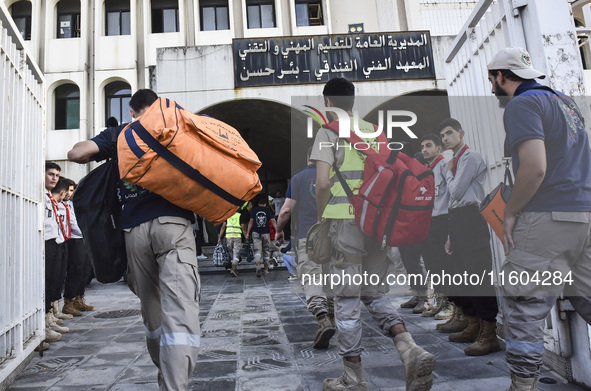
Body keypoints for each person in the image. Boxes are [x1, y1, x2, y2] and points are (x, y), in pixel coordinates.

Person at [68, 89, 201, 391]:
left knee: (153, 311)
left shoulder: (121, 134)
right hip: (174, 225)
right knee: (180, 309)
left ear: (132, 112)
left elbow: (76, 154)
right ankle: (174, 384)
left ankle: (163, 371)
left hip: (134, 232)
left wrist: (112, 144)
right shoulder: (176, 126)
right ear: (158, 107)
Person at [310, 77, 435, 391]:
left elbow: (322, 184)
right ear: (353, 101)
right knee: (373, 294)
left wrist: (322, 216)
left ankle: (353, 378)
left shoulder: (327, 132)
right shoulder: (374, 132)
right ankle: (410, 350)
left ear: (327, 102)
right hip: (377, 225)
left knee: (346, 299)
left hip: (344, 224)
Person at [487, 47, 591, 390]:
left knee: (523, 305)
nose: (491, 90)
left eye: (491, 80)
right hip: (583, 215)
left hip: (547, 216)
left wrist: (512, 212)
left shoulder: (522, 104)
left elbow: (535, 167)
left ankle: (523, 386)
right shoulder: (565, 102)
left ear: (502, 76)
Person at [437, 118, 500, 357]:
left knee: (478, 275)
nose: (445, 139)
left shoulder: (470, 158)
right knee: (462, 274)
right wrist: (451, 235)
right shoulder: (454, 162)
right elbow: (453, 199)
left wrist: (448, 170)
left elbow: (455, 191)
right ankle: (473, 325)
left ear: (461, 133)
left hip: (472, 218)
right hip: (457, 219)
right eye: (442, 135)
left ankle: (489, 334)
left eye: (449, 133)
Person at [276, 148, 336, 349]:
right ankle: (332, 319)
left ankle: (323, 319)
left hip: (308, 237)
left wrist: (278, 230)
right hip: (333, 236)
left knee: (311, 278)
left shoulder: (299, 178)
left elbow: (285, 210)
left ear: (307, 156)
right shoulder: (334, 176)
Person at [418, 134, 452, 319]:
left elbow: (451, 193)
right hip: (428, 221)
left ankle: (451, 304)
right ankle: (440, 300)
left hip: (443, 219)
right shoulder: (425, 169)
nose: (424, 149)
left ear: (439, 148)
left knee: (445, 264)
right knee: (432, 263)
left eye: (429, 145)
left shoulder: (444, 165)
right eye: (422, 146)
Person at [43, 165, 70, 347]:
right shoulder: (41, 197)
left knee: (56, 279)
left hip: (57, 241)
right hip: (46, 242)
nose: (54, 178)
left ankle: (50, 316)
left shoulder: (50, 198)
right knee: (46, 281)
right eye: (51, 174)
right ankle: (43, 323)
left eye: (57, 175)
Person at [60, 178, 94, 316]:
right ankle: (69, 302)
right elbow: (74, 225)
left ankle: (79, 298)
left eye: (72, 190)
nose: (70, 193)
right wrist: (87, 232)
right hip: (74, 240)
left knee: (85, 270)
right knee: (75, 270)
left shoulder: (76, 204)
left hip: (84, 239)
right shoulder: (64, 205)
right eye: (68, 190)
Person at [246, 194, 277, 277]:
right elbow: (273, 221)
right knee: (266, 250)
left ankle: (258, 266)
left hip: (255, 232)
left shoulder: (254, 210)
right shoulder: (267, 210)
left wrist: (247, 233)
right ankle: (266, 269)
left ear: (258, 203)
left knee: (257, 250)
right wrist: (278, 231)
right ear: (265, 204)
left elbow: (251, 222)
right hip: (265, 232)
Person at [218, 208, 246, 277]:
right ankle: (234, 266)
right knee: (236, 252)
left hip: (229, 237)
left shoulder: (227, 216)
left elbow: (223, 227)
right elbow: (243, 228)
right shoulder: (239, 216)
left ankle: (234, 267)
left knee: (231, 252)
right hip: (237, 236)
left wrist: (219, 237)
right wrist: (246, 236)